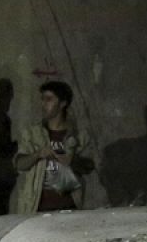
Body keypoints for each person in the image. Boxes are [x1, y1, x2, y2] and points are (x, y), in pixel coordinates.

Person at [10, 80, 93, 214]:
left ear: (62, 103)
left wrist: (71, 161)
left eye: (49, 100)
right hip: (37, 208)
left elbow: (89, 166)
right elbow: (19, 164)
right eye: (42, 99)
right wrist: (38, 154)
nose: (43, 104)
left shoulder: (78, 136)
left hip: (69, 209)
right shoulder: (33, 134)